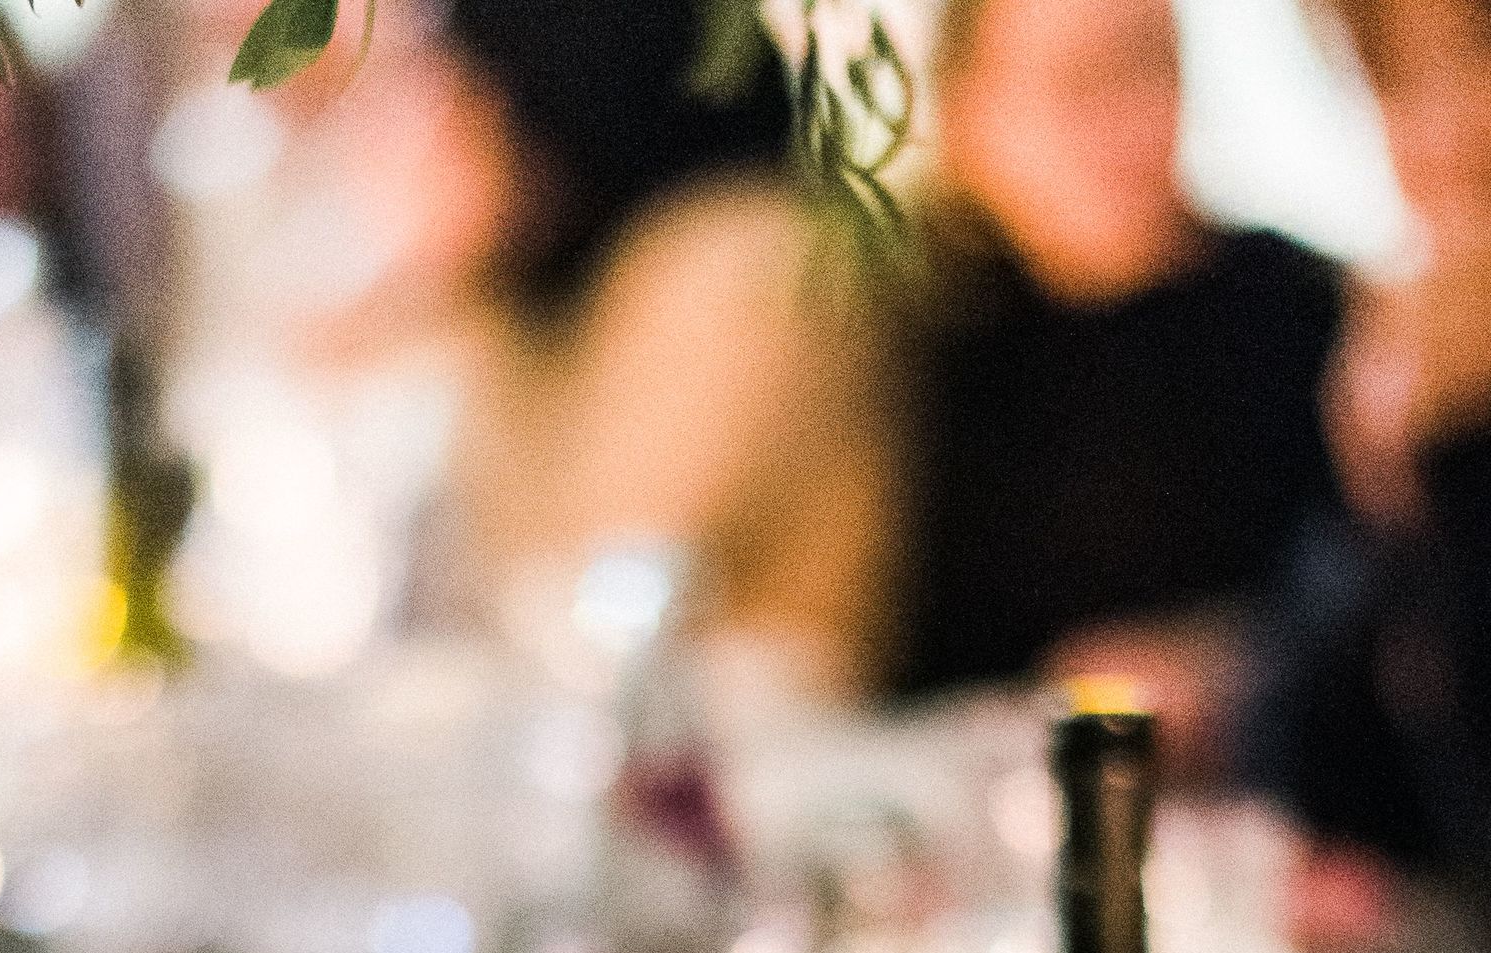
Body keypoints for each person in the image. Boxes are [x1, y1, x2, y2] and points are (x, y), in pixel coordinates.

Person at [321, 0, 900, 691]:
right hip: (642, 729)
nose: (402, 137)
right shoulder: (558, 282)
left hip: (778, 740)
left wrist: (453, 289)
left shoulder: (747, 257)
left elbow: (586, 592)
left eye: (454, 88)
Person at [887, 0, 1344, 762]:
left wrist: (1240, 671)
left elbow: (1376, 603)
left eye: (1155, 66)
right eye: (1082, 83)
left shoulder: (1299, 308)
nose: (1135, 123)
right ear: (964, 115)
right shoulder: (900, 341)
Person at [1243, 0, 1491, 932]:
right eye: (1394, 78)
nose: (1449, 125)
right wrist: (1395, 477)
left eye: (1482, 52)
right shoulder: (1396, 357)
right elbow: (1304, 769)